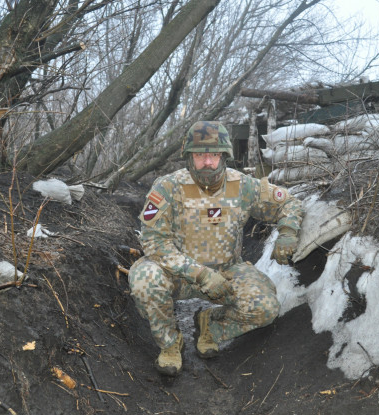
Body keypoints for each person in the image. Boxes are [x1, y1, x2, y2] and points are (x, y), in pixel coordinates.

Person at [128, 120, 304, 376]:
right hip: (178, 275)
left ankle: (210, 326)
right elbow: (153, 241)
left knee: (266, 308)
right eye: (200, 155)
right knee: (145, 279)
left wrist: (287, 232)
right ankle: (170, 343)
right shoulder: (167, 187)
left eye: (214, 155)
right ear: (189, 157)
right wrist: (199, 274)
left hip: (226, 273)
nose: (208, 162)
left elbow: (289, 202)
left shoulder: (243, 186)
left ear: (224, 156)